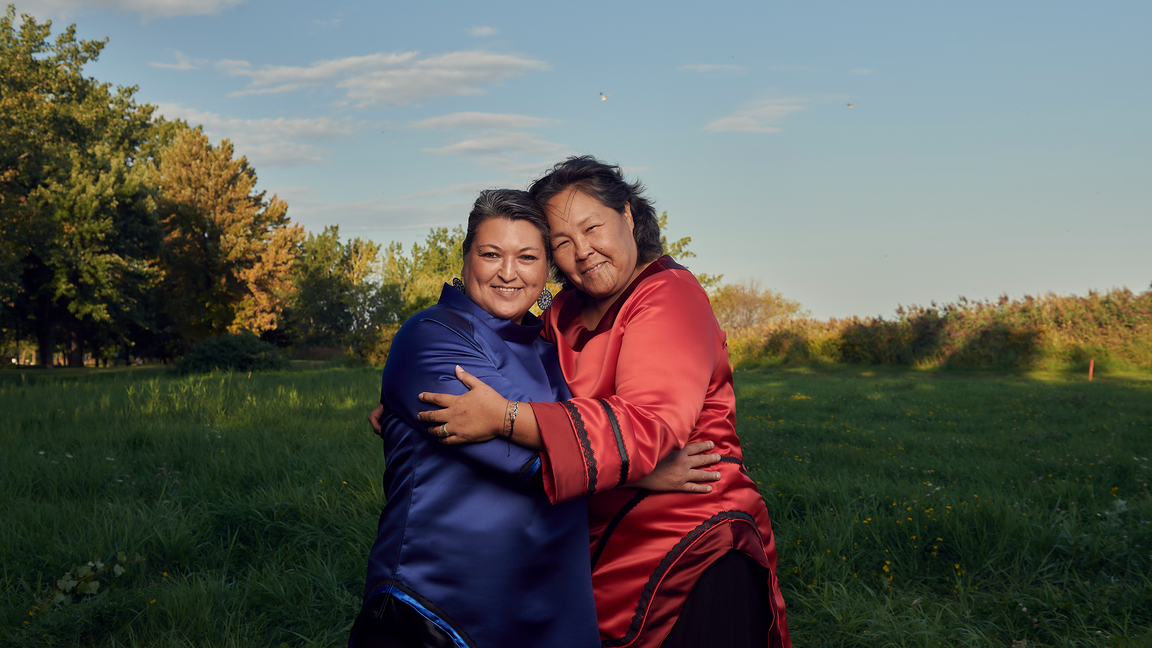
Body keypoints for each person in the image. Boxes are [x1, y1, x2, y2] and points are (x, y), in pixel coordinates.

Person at [415, 157, 792, 648]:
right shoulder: (564, 310)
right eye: (562, 243)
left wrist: (507, 420)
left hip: (689, 534)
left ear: (629, 216)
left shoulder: (670, 295)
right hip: (601, 537)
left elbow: (648, 426)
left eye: (592, 228)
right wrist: (410, 397)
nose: (583, 252)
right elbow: (509, 370)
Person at [355, 189, 721, 648]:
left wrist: (616, 447)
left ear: (547, 270)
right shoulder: (430, 335)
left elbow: (581, 425)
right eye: (491, 254)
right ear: (466, 257)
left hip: (548, 611)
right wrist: (640, 471)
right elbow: (522, 458)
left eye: (527, 257)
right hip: (437, 608)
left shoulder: (549, 349)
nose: (508, 272)